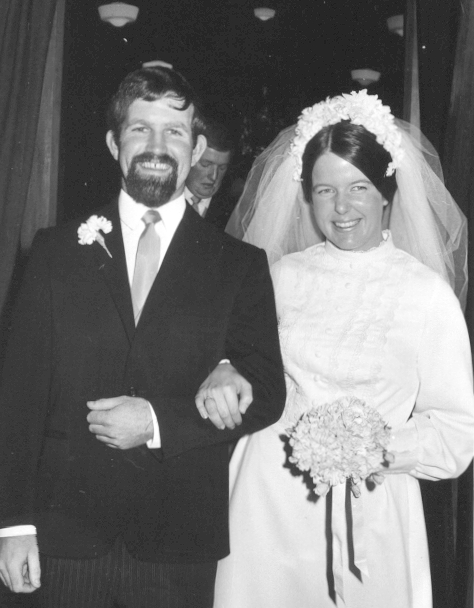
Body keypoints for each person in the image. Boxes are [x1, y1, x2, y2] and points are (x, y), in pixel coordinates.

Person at [0, 66, 286, 607]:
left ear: (197, 146)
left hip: (177, 545)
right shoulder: (56, 251)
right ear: (114, 143)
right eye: (139, 129)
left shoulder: (239, 266)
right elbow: (17, 398)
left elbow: (267, 391)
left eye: (174, 131)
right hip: (63, 539)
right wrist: (11, 525)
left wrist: (156, 422)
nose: (157, 146)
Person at [208, 91, 474, 607]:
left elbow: (458, 433)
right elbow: (233, 361)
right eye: (325, 189)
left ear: (387, 192)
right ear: (307, 195)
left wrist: (374, 447)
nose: (342, 207)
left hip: (369, 508)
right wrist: (223, 367)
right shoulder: (280, 277)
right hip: (265, 503)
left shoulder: (424, 294)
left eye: (358, 187)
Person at [185, 120, 234, 231]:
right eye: (205, 164)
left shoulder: (234, 212)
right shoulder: (164, 198)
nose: (213, 176)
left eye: (222, 168)